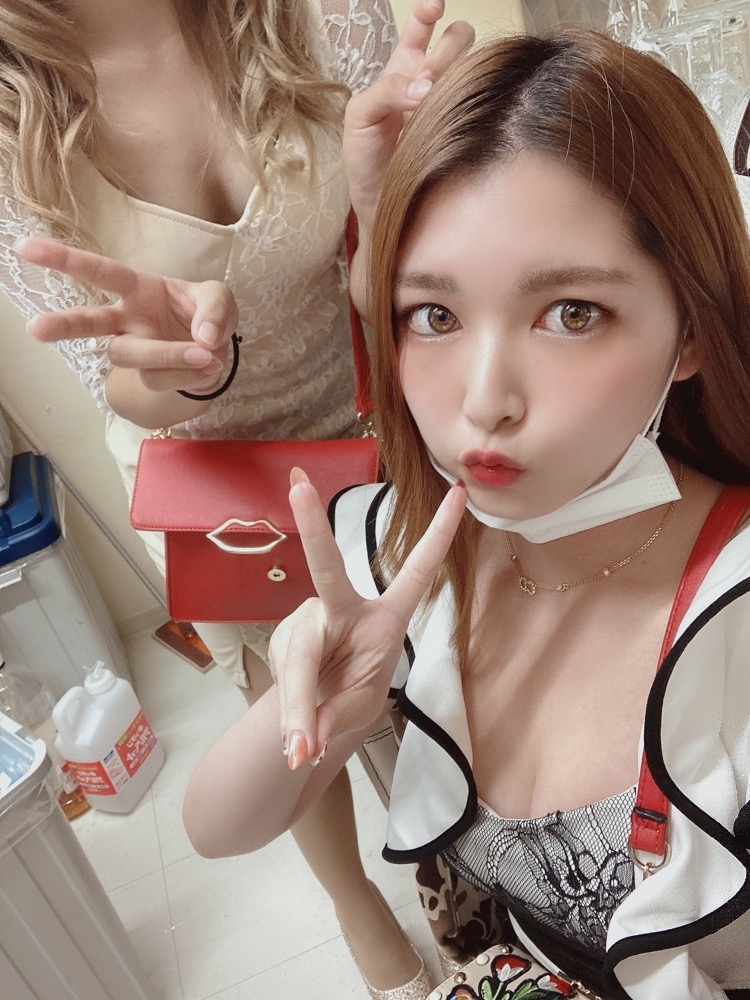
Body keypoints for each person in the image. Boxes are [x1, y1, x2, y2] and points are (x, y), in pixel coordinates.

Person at [179, 28, 750, 1000]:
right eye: (435, 316)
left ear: (689, 330)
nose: (484, 400)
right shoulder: (408, 559)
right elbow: (216, 828)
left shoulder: (731, 604)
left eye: (571, 312)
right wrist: (315, 706)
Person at [0, 1, 473, 995]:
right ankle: (354, 907)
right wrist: (182, 368)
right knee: (289, 701)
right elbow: (110, 380)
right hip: (209, 474)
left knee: (430, 662)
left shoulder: (319, 13)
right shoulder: (12, 117)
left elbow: (385, 259)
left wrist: (402, 194)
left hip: (371, 399)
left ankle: (465, 865)